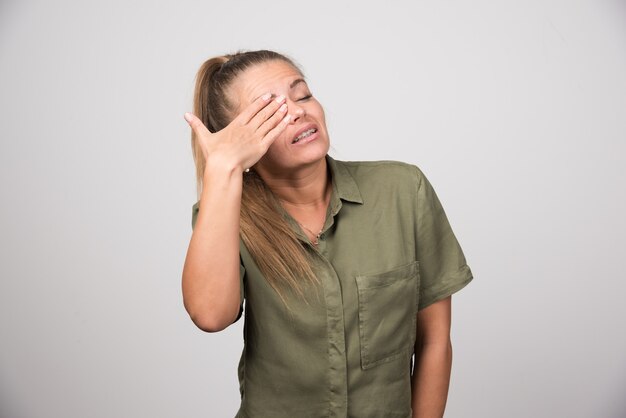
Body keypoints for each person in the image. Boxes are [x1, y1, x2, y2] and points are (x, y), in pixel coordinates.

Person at [181, 49, 473, 418]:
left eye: (302, 95)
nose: (299, 111)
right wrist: (222, 167)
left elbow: (434, 340)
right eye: (269, 112)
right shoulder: (226, 216)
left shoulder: (402, 190)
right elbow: (210, 315)